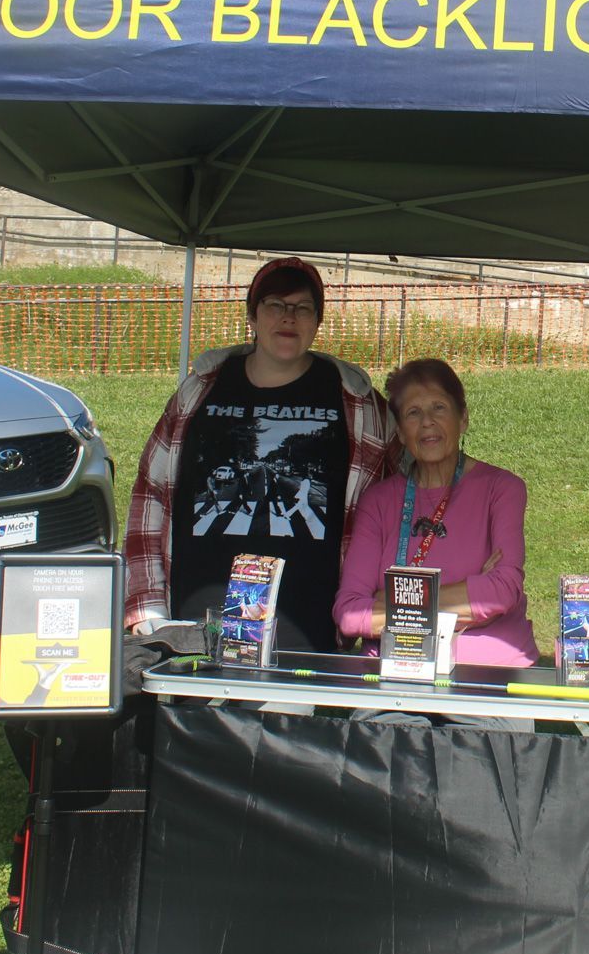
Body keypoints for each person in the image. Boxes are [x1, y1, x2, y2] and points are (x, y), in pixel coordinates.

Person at [122, 257, 394, 649]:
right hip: (194, 616)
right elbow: (150, 495)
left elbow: (403, 493)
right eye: (275, 305)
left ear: (317, 321)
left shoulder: (356, 401)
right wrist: (147, 608)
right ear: (252, 315)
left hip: (306, 619)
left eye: (302, 308)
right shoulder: (199, 391)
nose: (289, 318)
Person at [333, 358, 538, 667]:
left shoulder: (502, 489)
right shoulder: (377, 501)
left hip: (486, 668)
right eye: (413, 413)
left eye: (439, 408)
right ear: (401, 432)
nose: (427, 421)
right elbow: (350, 613)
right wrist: (468, 597)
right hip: (395, 669)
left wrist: (386, 602)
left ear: (463, 419)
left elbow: (500, 593)